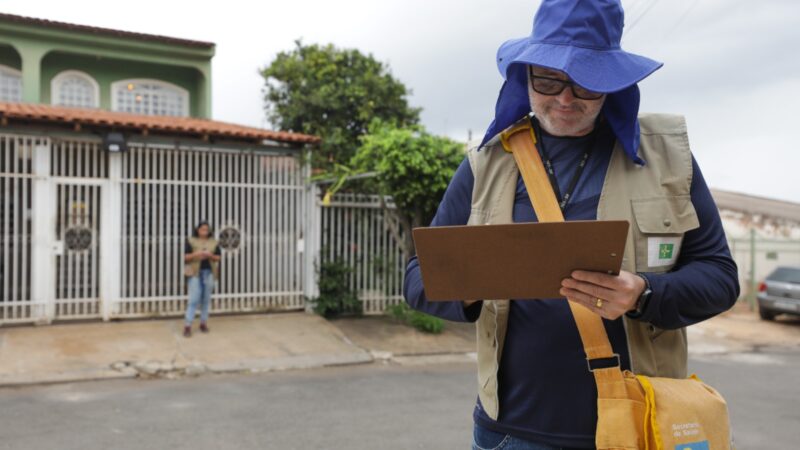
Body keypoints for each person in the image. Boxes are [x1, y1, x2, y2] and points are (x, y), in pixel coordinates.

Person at [403, 1, 740, 449]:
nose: (565, 99)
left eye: (586, 84)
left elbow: (720, 277)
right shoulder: (486, 164)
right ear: (525, 76)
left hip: (638, 424)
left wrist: (643, 293)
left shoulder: (668, 159)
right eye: (548, 80)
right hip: (509, 433)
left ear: (613, 83)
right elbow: (416, 280)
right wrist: (471, 281)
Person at [183, 221, 221, 338]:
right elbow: (185, 257)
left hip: (209, 273)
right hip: (195, 273)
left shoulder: (214, 242)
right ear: (198, 230)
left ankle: (203, 323)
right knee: (193, 299)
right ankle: (188, 325)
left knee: (206, 299)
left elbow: (218, 257)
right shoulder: (191, 240)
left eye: (206, 229)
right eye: (202, 229)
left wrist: (210, 255)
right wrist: (197, 254)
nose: (205, 231)